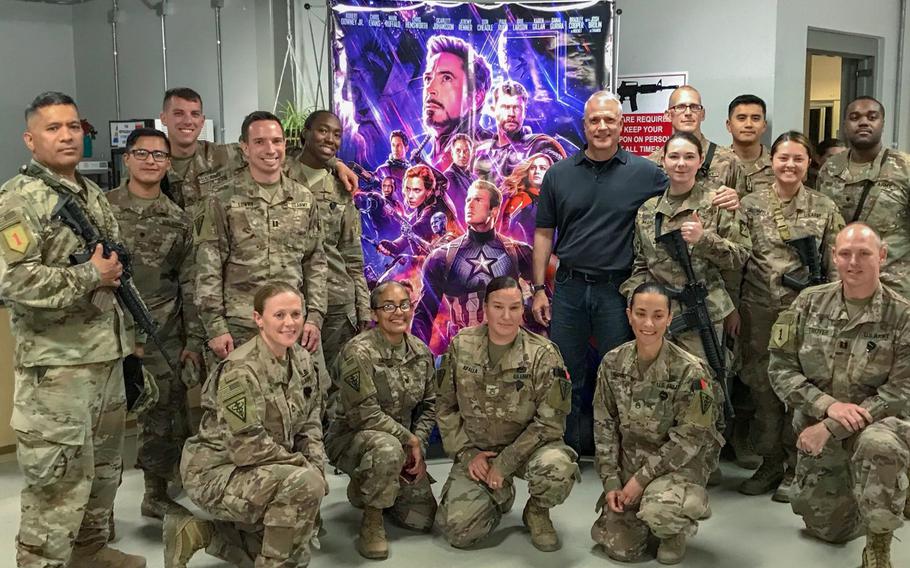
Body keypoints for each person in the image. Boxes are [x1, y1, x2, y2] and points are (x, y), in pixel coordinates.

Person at [532, 91, 739, 456]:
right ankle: (562, 448)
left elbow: (683, 189)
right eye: (594, 120)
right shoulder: (558, 174)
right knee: (565, 373)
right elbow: (544, 233)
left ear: (621, 125)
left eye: (610, 119)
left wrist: (724, 196)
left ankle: (615, 449)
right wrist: (537, 288)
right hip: (569, 288)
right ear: (585, 125)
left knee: (619, 374)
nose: (602, 126)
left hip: (617, 291)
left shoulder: (645, 173)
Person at [0, 91, 145, 567]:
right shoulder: (19, 200)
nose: (66, 136)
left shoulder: (89, 193)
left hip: (105, 357)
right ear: (30, 139)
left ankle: (89, 551)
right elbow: (14, 282)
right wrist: (90, 275)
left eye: (73, 127)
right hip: (57, 370)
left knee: (103, 470)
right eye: (53, 128)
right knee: (57, 481)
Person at [768, 223, 910, 568]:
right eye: (845, 254)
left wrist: (832, 426)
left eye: (864, 254)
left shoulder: (902, 315)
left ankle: (878, 546)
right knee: (828, 529)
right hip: (819, 421)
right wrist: (827, 407)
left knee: (879, 445)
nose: (854, 262)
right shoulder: (807, 304)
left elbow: (901, 391)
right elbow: (780, 369)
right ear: (834, 257)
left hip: (881, 424)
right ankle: (884, 493)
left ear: (882, 256)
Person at [166, 283, 326, 568]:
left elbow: (310, 423)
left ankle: (199, 532)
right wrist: (304, 469)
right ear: (258, 319)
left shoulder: (302, 361)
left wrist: (315, 463)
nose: (290, 323)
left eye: (296, 314)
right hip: (217, 472)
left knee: (299, 521)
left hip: (265, 467)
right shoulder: (240, 371)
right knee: (303, 492)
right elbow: (246, 449)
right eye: (279, 315)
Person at [736, 131, 845, 502]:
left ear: (808, 163)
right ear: (772, 161)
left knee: (803, 388)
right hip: (760, 311)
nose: (790, 165)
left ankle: (798, 466)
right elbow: (738, 259)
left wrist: (833, 313)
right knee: (762, 385)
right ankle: (770, 462)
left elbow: (836, 266)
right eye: (783, 158)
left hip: (806, 316)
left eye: (798, 158)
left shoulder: (824, 207)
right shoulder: (750, 205)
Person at [436, 276, 578, 551]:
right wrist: (466, 454)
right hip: (478, 452)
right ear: (485, 308)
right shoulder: (461, 345)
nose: (506, 316)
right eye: (498, 307)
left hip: (528, 451)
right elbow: (445, 407)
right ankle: (499, 493)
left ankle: (536, 512)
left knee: (557, 468)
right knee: (459, 532)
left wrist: (505, 464)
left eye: (514, 308)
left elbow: (550, 424)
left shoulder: (543, 354)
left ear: (522, 309)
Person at [105, 127, 204, 519]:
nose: (151, 161)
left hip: (163, 331)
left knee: (163, 417)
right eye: (142, 153)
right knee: (104, 423)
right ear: (126, 158)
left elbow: (191, 284)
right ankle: (100, 513)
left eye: (159, 156)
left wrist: (192, 341)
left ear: (167, 165)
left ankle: (156, 492)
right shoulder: (103, 210)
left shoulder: (179, 220)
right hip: (107, 332)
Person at [591, 283, 722, 565]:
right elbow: (604, 426)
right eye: (640, 313)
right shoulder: (612, 363)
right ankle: (647, 510)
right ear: (629, 315)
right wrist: (612, 481)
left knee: (658, 513)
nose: (648, 323)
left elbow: (689, 440)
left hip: (679, 465)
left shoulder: (691, 371)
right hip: (632, 461)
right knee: (621, 550)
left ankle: (676, 524)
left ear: (669, 318)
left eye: (658, 315)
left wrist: (639, 481)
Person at [193, 111, 328, 372]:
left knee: (308, 400)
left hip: (294, 325)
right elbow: (207, 268)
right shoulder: (221, 200)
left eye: (277, 141)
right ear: (244, 147)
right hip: (242, 325)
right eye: (260, 142)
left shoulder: (303, 198)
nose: (270, 149)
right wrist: (216, 327)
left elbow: (316, 262)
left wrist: (314, 317)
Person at [621, 132, 750, 388]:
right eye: (675, 157)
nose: (681, 163)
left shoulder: (718, 202)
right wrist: (637, 300)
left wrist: (704, 240)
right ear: (664, 161)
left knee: (704, 386)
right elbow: (640, 264)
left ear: (700, 161)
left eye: (689, 157)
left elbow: (739, 257)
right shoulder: (648, 210)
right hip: (657, 317)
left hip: (704, 313)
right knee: (658, 385)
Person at [325, 281, 437, 559]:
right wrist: (409, 440)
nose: (397, 312)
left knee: (421, 520)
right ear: (375, 313)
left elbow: (429, 406)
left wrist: (418, 446)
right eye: (388, 306)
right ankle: (372, 521)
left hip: (401, 447)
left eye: (404, 305)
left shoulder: (420, 352)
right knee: (386, 448)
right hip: (353, 439)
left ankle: (368, 486)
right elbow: (365, 414)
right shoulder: (358, 353)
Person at [286, 110, 372, 411]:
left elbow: (352, 254)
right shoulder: (281, 173)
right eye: (323, 131)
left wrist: (363, 308)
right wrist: (336, 163)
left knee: (338, 391)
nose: (331, 139)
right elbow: (258, 144)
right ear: (305, 133)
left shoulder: (341, 188)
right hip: (291, 303)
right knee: (298, 388)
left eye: (337, 134)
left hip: (337, 302)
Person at [159, 87, 357, 212]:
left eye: (194, 114)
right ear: (164, 118)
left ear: (202, 121)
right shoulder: (149, 160)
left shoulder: (221, 156)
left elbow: (278, 153)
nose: (187, 121)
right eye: (178, 113)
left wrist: (335, 163)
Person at [412, 180, 533, 349]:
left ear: (494, 210)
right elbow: (423, 315)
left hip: (510, 355)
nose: (469, 205)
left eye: (477, 200)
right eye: (468, 200)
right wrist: (417, 361)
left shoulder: (519, 253)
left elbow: (543, 301)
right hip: (463, 358)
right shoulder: (440, 258)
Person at [817, 96, 910, 300]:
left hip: (893, 287)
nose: (863, 122)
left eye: (872, 117)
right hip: (841, 286)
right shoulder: (830, 169)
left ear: (882, 123)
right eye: (855, 117)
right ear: (845, 125)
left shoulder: (904, 168)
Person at [647, 85, 747, 194]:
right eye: (680, 107)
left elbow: (744, 206)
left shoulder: (728, 161)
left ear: (702, 114)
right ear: (668, 115)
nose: (688, 113)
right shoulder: (652, 164)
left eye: (695, 107)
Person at [414, 34, 492, 170]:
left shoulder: (489, 154)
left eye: (446, 78)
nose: (430, 89)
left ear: (476, 98)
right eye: (427, 79)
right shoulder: (427, 152)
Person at [471, 80, 566, 186]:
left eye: (516, 108)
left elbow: (562, 188)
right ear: (493, 110)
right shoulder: (481, 155)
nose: (511, 114)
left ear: (524, 111)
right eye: (505, 107)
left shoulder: (541, 146)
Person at [378, 164, 457, 256]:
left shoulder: (433, 211)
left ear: (428, 191)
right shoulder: (429, 197)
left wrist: (394, 246)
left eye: (416, 190)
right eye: (408, 189)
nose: (410, 196)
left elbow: (415, 230)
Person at [498, 153, 553, 242]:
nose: (537, 171)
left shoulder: (548, 201)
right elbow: (505, 230)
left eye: (542, 168)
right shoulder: (522, 198)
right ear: (527, 172)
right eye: (533, 167)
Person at [727, 94, 774, 194]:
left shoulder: (777, 165)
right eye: (741, 118)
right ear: (729, 125)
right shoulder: (714, 163)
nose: (749, 124)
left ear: (764, 126)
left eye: (755, 118)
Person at [443, 133, 476, 216]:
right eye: (458, 151)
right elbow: (461, 205)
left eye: (466, 151)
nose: (462, 155)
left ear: (471, 154)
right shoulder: (448, 177)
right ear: (452, 154)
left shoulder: (475, 178)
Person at [374, 130, 411, 197]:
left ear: (406, 148)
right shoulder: (382, 170)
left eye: (398, 145)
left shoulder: (411, 172)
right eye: (393, 145)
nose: (395, 149)